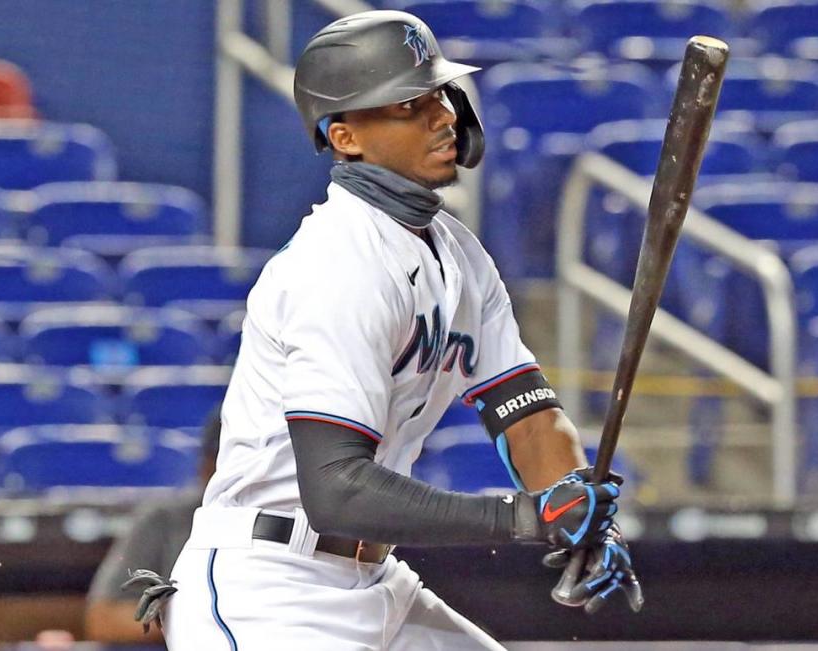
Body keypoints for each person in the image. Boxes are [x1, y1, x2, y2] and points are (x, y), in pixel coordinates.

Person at [153, 10, 642, 650]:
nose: (443, 116)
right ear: (347, 136)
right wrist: (525, 518)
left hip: (376, 580)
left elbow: (527, 417)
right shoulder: (337, 264)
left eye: (439, 94)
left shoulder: (459, 255)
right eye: (408, 105)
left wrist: (577, 511)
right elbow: (338, 490)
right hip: (270, 590)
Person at [84, 412, 221, 643]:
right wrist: (196, 622)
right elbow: (103, 619)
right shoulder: (165, 520)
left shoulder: (295, 520)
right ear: (206, 464)